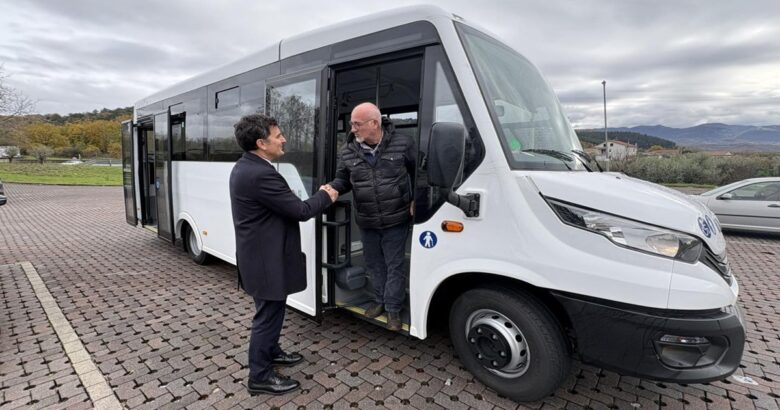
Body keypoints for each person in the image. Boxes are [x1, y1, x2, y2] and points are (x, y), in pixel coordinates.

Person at [229, 114, 338, 395]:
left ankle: (272, 352)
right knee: (267, 318)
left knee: (271, 313)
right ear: (261, 143)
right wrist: (326, 194)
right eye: (278, 135)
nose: (284, 139)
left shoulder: (247, 166)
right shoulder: (260, 173)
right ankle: (260, 377)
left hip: (259, 257)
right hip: (265, 261)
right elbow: (300, 211)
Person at [326, 102, 416, 331]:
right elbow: (342, 179)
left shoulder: (403, 143)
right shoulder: (347, 151)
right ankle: (379, 301)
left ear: (374, 124)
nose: (352, 129)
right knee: (375, 265)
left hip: (396, 218)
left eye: (357, 124)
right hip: (366, 220)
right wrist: (331, 188)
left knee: (394, 265)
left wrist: (417, 198)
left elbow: (420, 174)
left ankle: (393, 309)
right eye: (351, 124)